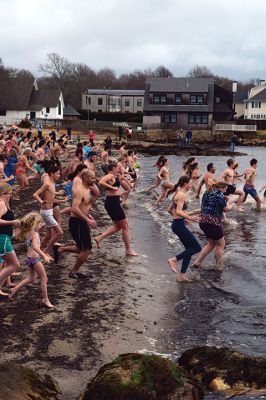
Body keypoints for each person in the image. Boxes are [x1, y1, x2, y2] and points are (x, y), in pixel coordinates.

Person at [53, 169, 97, 279]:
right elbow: (74, 208)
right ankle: (74, 271)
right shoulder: (79, 190)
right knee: (86, 249)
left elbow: (86, 205)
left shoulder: (88, 189)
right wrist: (87, 220)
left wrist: (96, 195)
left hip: (81, 221)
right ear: (85, 178)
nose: (94, 179)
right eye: (92, 178)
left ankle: (60, 249)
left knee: (80, 247)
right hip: (77, 222)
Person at [8, 212, 54, 308]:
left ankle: (14, 289)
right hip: (35, 259)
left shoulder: (28, 232)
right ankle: (45, 299)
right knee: (44, 278)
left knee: (31, 278)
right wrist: (44, 256)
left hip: (29, 258)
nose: (41, 225)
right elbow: (35, 247)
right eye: (40, 223)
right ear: (35, 223)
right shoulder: (35, 234)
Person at [94, 160, 138, 256]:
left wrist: (120, 185)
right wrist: (113, 188)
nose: (118, 169)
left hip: (112, 202)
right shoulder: (110, 175)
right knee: (125, 226)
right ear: (113, 168)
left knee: (117, 227)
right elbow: (101, 181)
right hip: (113, 203)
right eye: (117, 168)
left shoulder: (113, 176)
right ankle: (128, 250)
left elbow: (128, 188)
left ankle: (99, 238)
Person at [167, 176, 201, 282]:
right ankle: (174, 259)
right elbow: (178, 211)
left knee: (189, 249)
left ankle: (181, 276)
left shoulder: (177, 193)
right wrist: (190, 218)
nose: (191, 185)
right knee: (197, 247)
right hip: (178, 226)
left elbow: (169, 210)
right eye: (190, 183)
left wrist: (182, 218)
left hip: (177, 224)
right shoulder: (181, 195)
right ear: (185, 184)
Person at [193, 182, 234, 270]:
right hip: (213, 223)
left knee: (211, 243)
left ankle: (197, 262)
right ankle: (219, 266)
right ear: (220, 188)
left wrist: (224, 199)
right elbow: (226, 209)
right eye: (225, 189)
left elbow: (211, 205)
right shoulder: (219, 195)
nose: (225, 191)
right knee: (221, 244)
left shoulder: (207, 193)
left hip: (203, 221)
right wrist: (231, 205)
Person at [33, 166, 63, 254]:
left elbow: (51, 199)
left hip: (49, 211)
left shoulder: (52, 183)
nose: (59, 175)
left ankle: (38, 252)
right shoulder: (47, 183)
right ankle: (45, 251)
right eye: (57, 173)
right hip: (46, 212)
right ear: (52, 174)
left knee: (48, 235)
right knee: (59, 232)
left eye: (59, 173)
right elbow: (35, 194)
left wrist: (63, 200)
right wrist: (41, 201)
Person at [0, 183, 21, 288]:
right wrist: (12, 222)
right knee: (15, 264)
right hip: (2, 238)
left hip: (5, 237)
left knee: (8, 264)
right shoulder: (1, 204)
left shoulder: (5, 203)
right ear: (3, 193)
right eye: (9, 194)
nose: (11, 196)